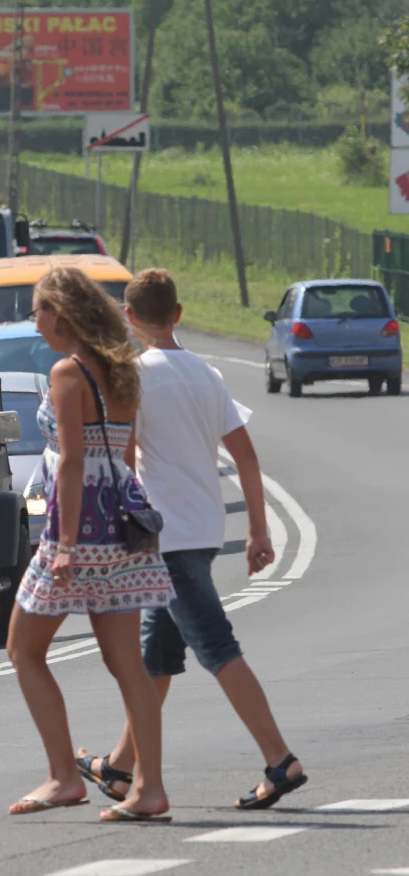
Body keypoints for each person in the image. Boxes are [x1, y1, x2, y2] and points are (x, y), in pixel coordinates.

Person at [76, 269, 308, 810]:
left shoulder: (133, 376)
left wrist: (113, 534)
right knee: (156, 658)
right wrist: (256, 529)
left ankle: (280, 760)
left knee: (218, 648)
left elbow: (126, 460)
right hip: (204, 532)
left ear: (129, 318)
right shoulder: (208, 374)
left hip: (165, 537)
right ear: (178, 313)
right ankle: (119, 767)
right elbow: (245, 456)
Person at [6, 267, 174, 823]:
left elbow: (73, 462)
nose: (37, 323)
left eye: (38, 311)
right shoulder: (123, 370)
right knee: (126, 661)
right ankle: (149, 788)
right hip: (123, 525)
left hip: (79, 527)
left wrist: (65, 545)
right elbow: (122, 458)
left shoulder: (68, 372)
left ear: (60, 312)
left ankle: (62, 776)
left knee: (23, 648)